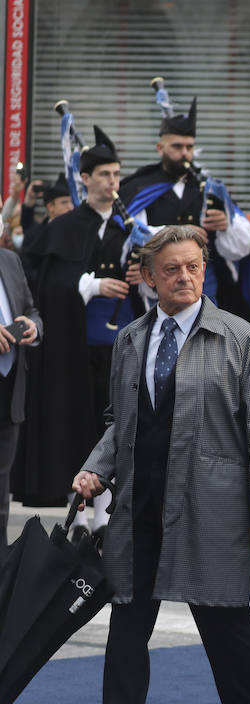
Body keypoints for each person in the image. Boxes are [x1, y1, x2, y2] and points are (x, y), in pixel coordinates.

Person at [68, 224, 250, 704]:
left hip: (214, 508)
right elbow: (119, 423)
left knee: (225, 624)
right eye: (172, 269)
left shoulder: (240, 339)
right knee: (126, 628)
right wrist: (96, 468)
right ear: (147, 278)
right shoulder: (129, 340)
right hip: (140, 505)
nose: (186, 277)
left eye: (194, 266)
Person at [14, 127, 136, 539]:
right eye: (104, 174)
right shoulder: (65, 226)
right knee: (75, 420)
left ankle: (104, 514)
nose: (112, 182)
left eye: (117, 174)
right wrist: (90, 286)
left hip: (119, 343)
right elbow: (43, 282)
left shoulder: (129, 225)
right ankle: (78, 511)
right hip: (74, 345)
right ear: (84, 178)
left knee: (113, 421)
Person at [119, 98, 250, 327]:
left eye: (189, 147)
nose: (184, 154)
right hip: (155, 289)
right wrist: (176, 232)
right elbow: (125, 233)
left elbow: (244, 244)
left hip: (206, 288)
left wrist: (226, 224)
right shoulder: (138, 186)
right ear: (160, 148)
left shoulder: (210, 188)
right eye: (177, 147)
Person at [0, 245, 42, 534]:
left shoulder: (9, 259)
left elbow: (31, 309)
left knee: (2, 489)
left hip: (10, 386)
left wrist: (33, 326)